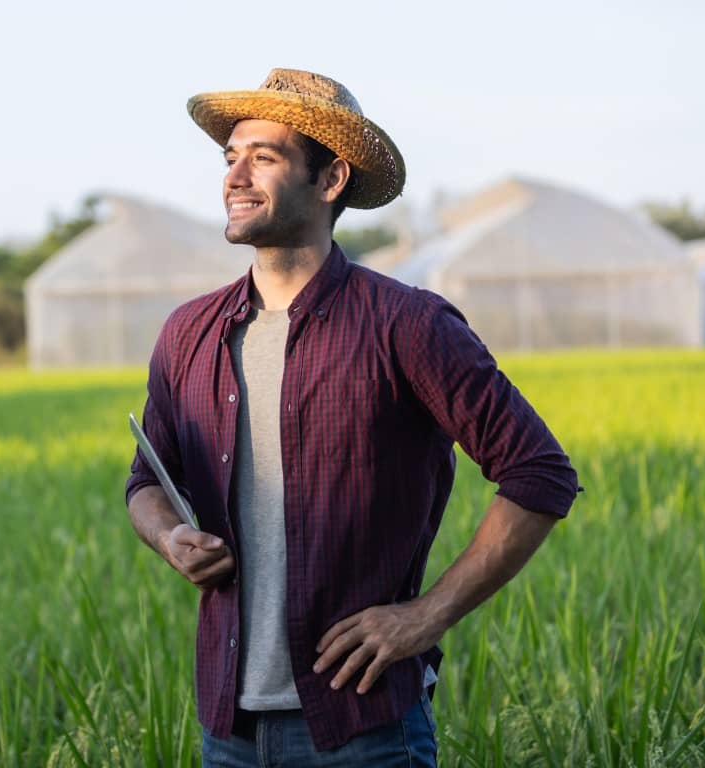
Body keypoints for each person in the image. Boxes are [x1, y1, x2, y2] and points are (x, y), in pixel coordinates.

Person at [124, 68, 581, 766]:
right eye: (229, 157)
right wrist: (170, 539)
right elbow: (146, 484)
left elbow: (538, 473)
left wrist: (425, 617)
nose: (235, 176)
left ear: (330, 179)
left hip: (363, 729)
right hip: (228, 729)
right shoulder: (188, 333)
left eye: (263, 157)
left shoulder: (407, 324)